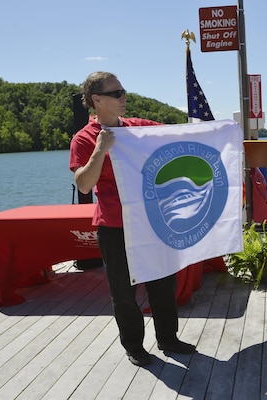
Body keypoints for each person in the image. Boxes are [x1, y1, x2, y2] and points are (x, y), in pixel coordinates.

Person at [69, 71, 196, 367]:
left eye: (123, 91)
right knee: (123, 293)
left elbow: (176, 136)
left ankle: (168, 339)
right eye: (116, 93)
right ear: (97, 100)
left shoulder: (138, 129)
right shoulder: (84, 139)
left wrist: (219, 133)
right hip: (114, 228)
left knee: (163, 284)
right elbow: (85, 185)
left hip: (150, 223)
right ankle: (135, 347)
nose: (123, 97)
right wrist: (101, 150)